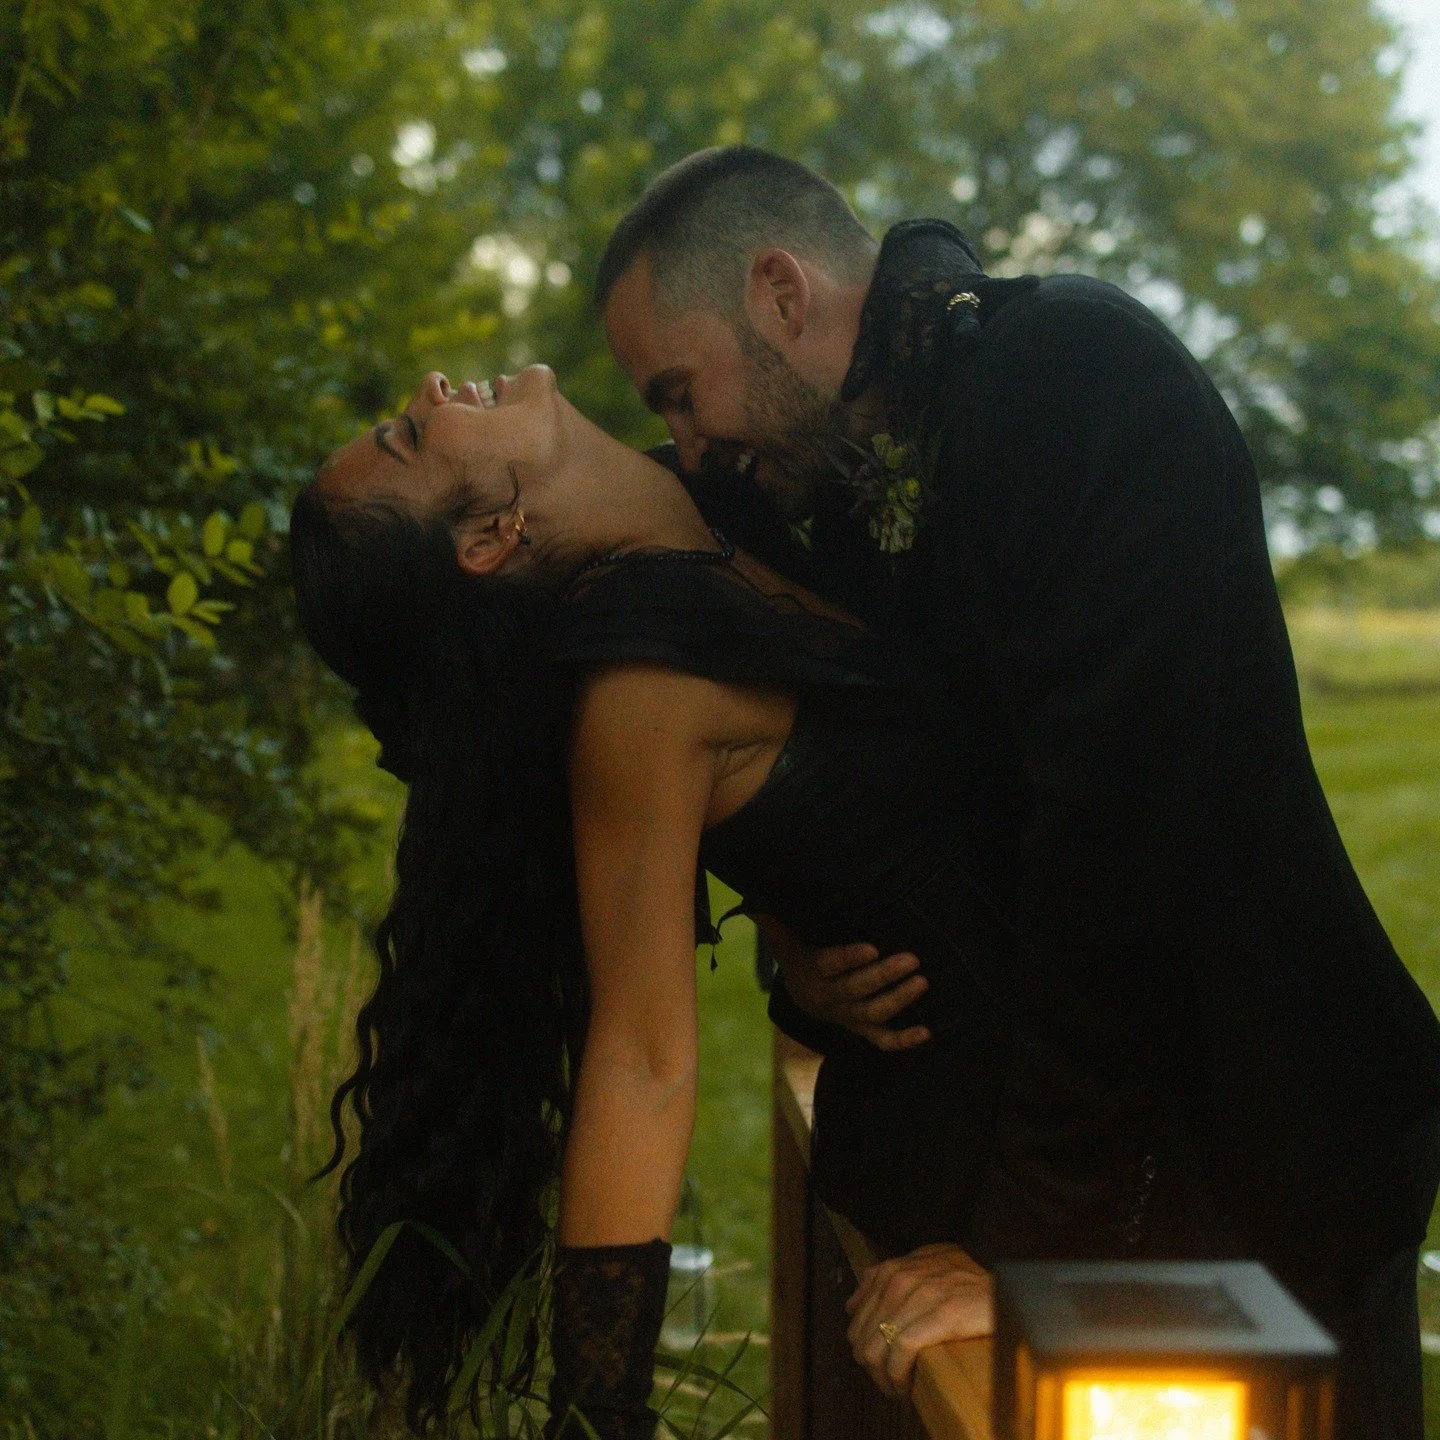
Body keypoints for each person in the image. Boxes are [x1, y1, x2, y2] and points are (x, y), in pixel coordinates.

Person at [596, 145, 1440, 1439]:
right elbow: (915, 800)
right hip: (1069, 1154)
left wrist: (1032, 1253)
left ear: (778, 290)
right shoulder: (855, 470)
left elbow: (1120, 843)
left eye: (678, 388)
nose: (686, 441)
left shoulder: (1071, 381)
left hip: (1250, 1166)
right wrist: (802, 952)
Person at [291, 364, 1005, 1437]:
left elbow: (823, 782)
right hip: (1011, 1144)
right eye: (407, 434)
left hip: (1084, 1058)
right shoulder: (643, 695)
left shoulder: (708, 498)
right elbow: (643, 1057)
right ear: (487, 535)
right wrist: (598, 1409)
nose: (433, 390)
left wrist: (789, 930)